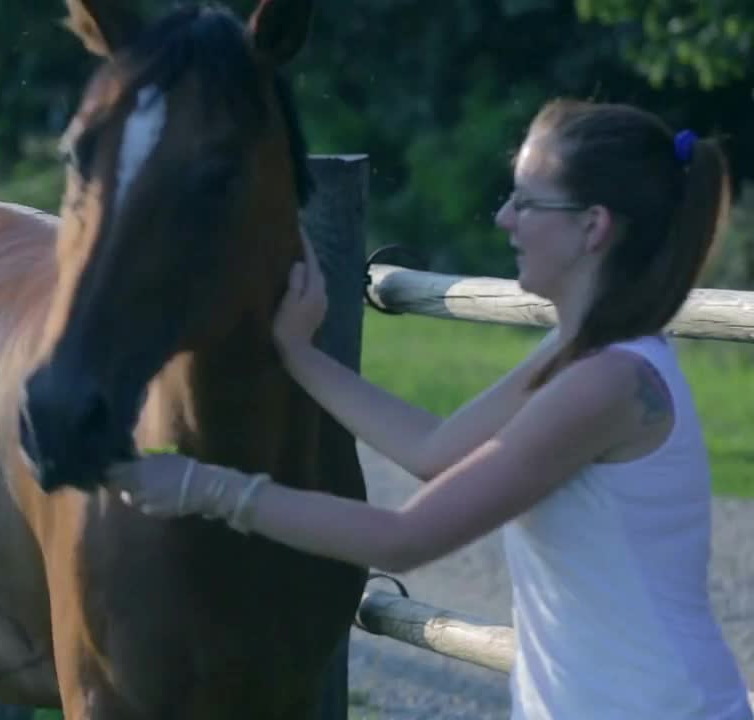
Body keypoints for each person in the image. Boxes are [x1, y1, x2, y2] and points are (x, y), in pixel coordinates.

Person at [106, 98, 753, 719]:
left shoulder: (607, 381)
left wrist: (205, 487)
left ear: (593, 227)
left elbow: (406, 539)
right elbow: (435, 452)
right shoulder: (579, 351)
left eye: (527, 202)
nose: (503, 218)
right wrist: (299, 354)